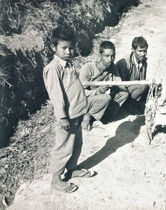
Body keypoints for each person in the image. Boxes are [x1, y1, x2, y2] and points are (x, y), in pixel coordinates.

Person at [43, 25, 95, 193]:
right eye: (64, 48)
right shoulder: (53, 68)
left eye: (71, 48)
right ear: (54, 47)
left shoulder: (69, 64)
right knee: (63, 147)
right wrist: (62, 117)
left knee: (77, 143)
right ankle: (56, 179)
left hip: (77, 113)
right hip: (67, 116)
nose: (68, 51)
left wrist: (84, 110)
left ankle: (72, 169)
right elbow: (56, 95)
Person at [79, 41, 128, 128]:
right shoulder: (88, 68)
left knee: (124, 93)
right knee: (106, 98)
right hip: (86, 101)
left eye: (112, 56)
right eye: (107, 56)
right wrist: (98, 91)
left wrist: (114, 85)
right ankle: (87, 117)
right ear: (100, 56)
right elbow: (79, 93)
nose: (110, 59)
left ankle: (105, 118)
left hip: (101, 100)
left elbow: (120, 84)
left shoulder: (112, 67)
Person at [116, 36, 149, 114]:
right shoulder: (125, 63)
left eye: (145, 51)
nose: (143, 54)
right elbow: (120, 86)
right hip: (122, 92)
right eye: (140, 51)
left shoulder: (143, 62)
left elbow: (142, 79)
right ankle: (127, 105)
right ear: (133, 50)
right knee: (144, 86)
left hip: (133, 89)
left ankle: (136, 104)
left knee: (148, 86)